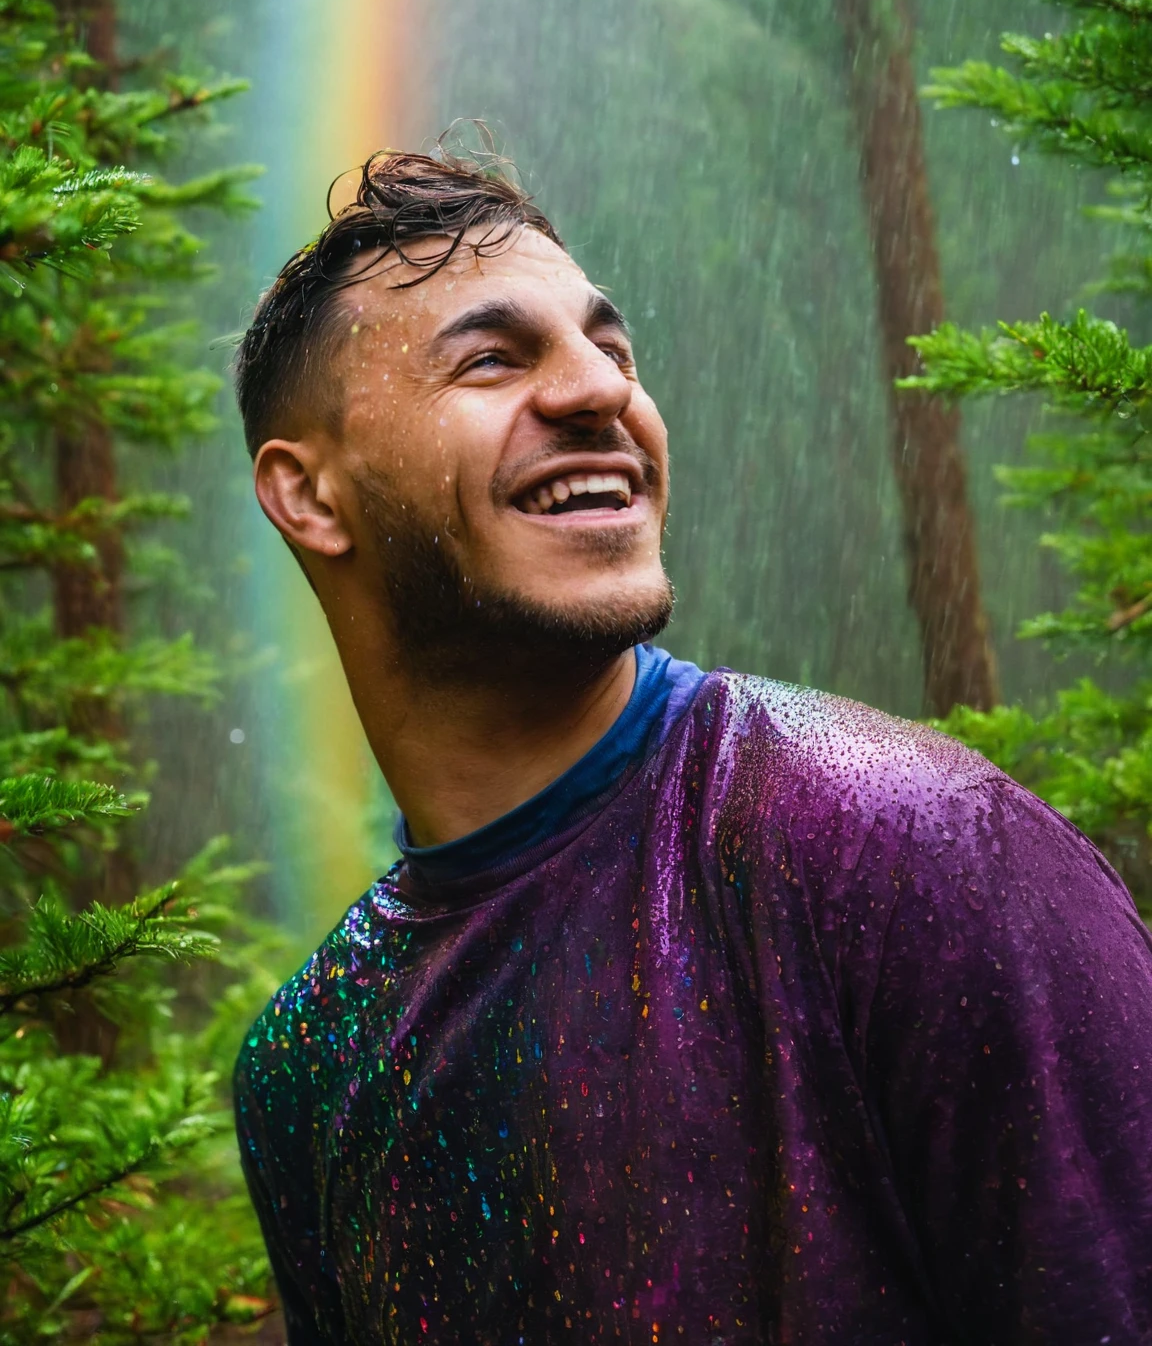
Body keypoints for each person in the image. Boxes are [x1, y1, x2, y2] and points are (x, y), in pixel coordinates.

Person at [233, 144, 1152, 1346]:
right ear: (309, 497)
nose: (599, 392)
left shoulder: (916, 852)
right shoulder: (309, 1064)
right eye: (493, 359)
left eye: (613, 352)